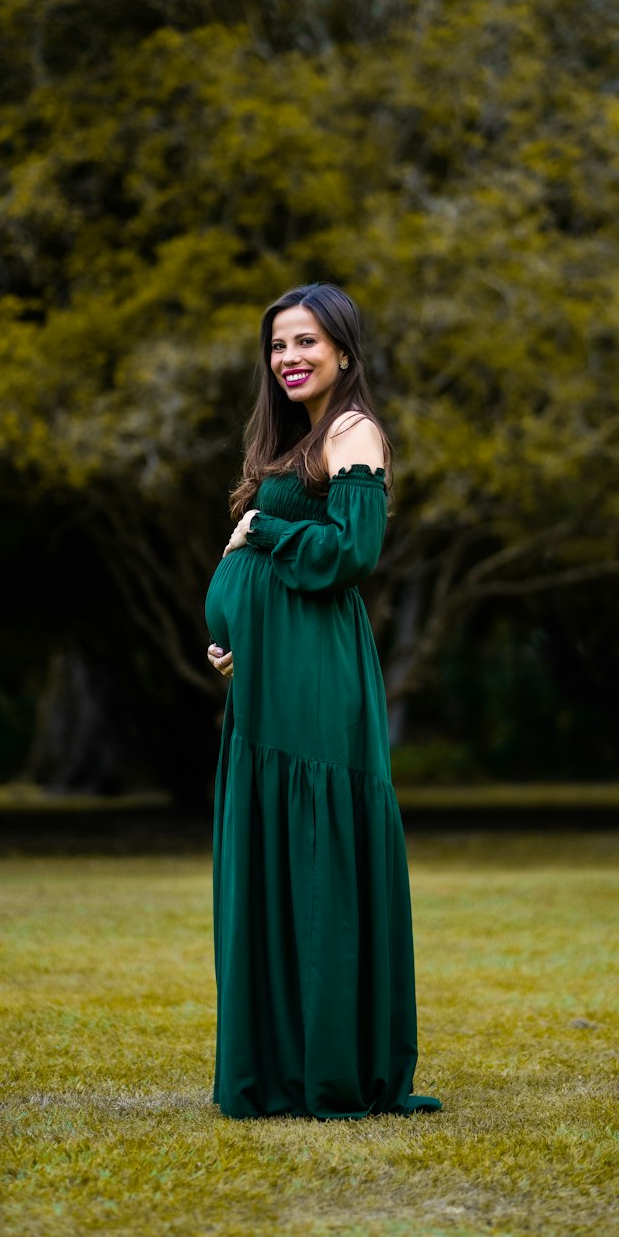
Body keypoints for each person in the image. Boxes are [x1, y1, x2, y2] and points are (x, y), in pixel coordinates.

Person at [204, 282, 441, 1120]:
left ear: (343, 349)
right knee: (275, 856)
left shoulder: (353, 431)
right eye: (277, 346)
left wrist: (260, 533)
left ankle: (334, 1068)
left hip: (317, 683)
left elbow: (354, 553)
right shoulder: (300, 437)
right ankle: (278, 1065)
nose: (289, 358)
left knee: (319, 854)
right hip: (271, 680)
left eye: (305, 341)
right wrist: (231, 631)